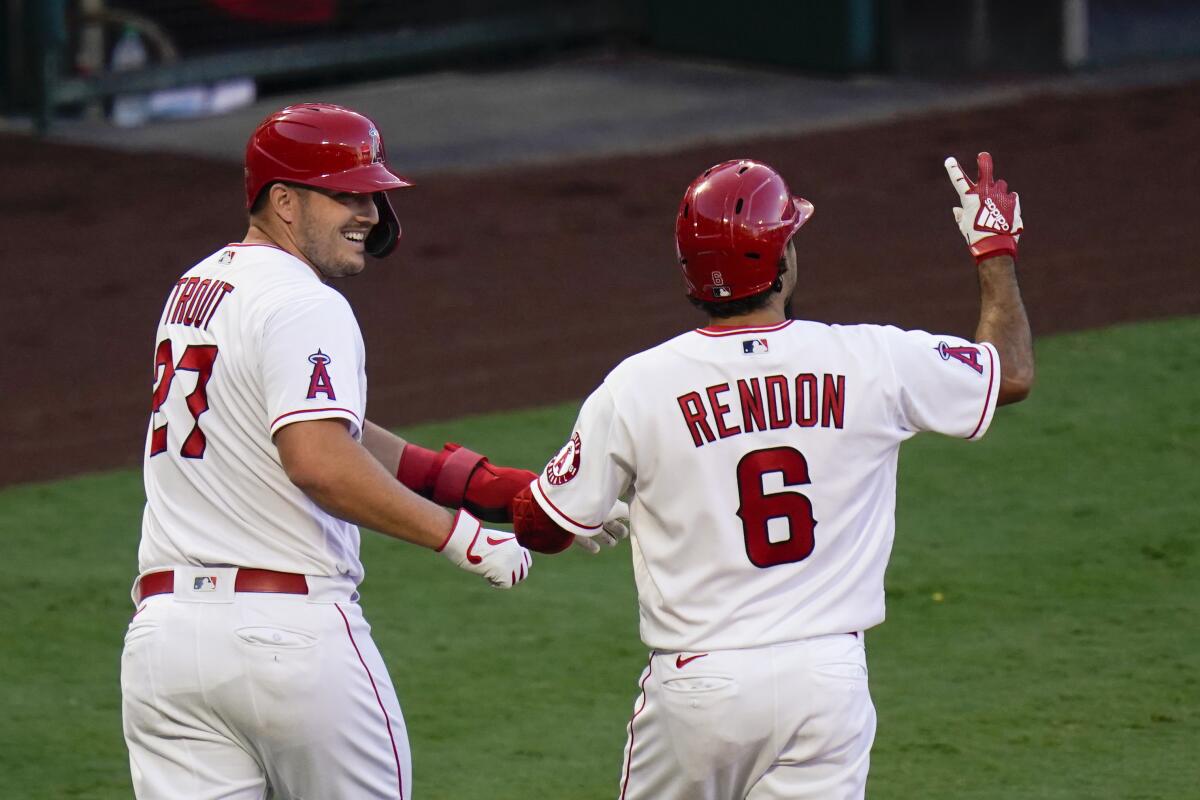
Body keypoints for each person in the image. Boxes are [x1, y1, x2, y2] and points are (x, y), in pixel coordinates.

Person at [120, 102, 623, 800]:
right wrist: (462, 539)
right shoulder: (304, 303)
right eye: (347, 195)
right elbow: (318, 459)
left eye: (372, 195)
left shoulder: (196, 288)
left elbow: (323, 431)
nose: (370, 215)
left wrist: (484, 488)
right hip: (288, 641)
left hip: (166, 647)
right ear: (285, 202)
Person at [507, 153, 1034, 799]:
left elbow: (543, 527)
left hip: (700, 684)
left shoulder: (637, 385)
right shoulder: (872, 358)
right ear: (779, 259)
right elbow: (1009, 373)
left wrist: (518, 497)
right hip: (828, 681)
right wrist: (994, 249)